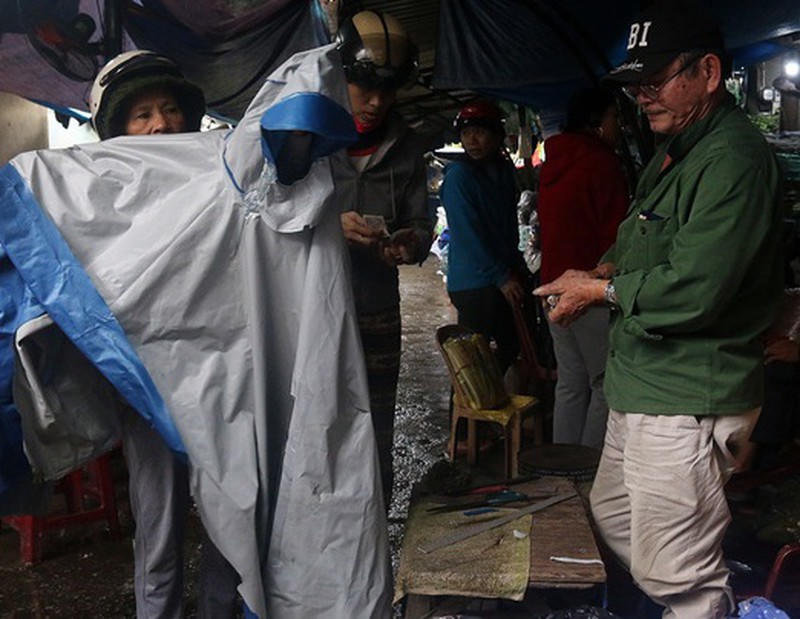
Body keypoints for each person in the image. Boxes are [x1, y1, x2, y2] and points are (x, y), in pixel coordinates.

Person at [534, 2, 783, 616]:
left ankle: (702, 603)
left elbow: (698, 287)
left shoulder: (733, 159)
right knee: (614, 515)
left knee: (677, 575)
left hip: (686, 394)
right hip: (645, 383)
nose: (643, 96)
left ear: (708, 72)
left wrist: (603, 293)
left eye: (657, 80)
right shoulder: (678, 152)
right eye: (636, 84)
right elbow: (639, 240)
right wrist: (600, 270)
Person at [90, 51, 240, 619]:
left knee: (231, 522)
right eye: (142, 115)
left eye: (169, 109)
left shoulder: (219, 180)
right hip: (147, 386)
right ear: (118, 130)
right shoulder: (97, 202)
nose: (160, 125)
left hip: (221, 377)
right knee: (159, 525)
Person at [333, 10, 433, 510]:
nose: (376, 102)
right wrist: (328, 225)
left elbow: (420, 221)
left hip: (377, 309)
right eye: (365, 88)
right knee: (320, 423)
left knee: (376, 426)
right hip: (315, 312)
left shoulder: (408, 148)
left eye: (387, 91)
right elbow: (268, 217)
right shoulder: (308, 139)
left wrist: (411, 242)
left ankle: (373, 529)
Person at [537, 86, 629, 448]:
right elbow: (618, 236)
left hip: (552, 286)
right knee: (604, 384)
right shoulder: (602, 163)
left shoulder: (554, 163)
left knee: (571, 382)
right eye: (614, 117)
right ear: (598, 122)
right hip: (589, 288)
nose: (619, 125)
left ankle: (563, 466)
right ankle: (589, 469)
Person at [439, 100, 525, 373]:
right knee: (473, 364)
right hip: (474, 283)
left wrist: (514, 266)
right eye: (466, 134)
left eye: (479, 132)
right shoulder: (459, 177)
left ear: (497, 136)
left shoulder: (501, 171)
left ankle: (491, 397)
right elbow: (468, 232)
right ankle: (470, 403)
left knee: (511, 347)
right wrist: (501, 276)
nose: (472, 140)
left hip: (501, 274)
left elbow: (507, 225)